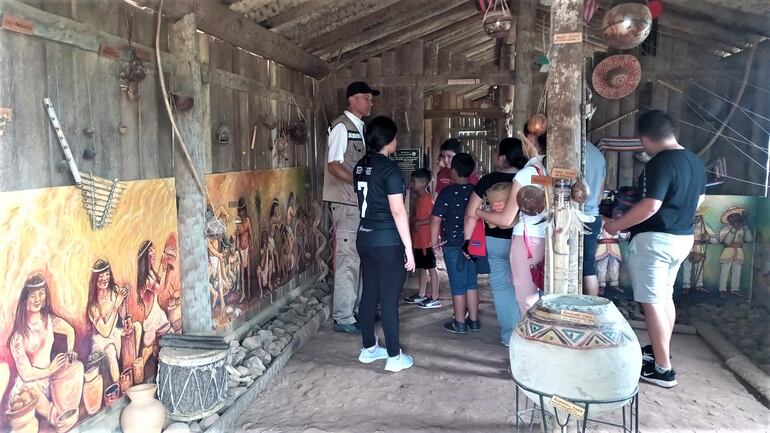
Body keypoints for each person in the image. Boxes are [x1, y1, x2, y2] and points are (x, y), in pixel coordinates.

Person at [604, 109, 706, 388]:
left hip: (656, 241)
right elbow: (698, 201)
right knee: (664, 299)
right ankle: (660, 353)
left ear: (644, 138)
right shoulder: (695, 161)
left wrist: (616, 225)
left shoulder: (660, 163)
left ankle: (663, 370)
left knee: (651, 302)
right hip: (682, 238)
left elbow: (651, 206)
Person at [353, 116, 415, 372]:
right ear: (388, 141)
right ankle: (394, 355)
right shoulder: (390, 170)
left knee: (369, 293)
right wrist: (409, 249)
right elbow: (398, 212)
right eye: (395, 137)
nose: (397, 141)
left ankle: (369, 349)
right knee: (389, 298)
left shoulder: (360, 165)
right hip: (388, 241)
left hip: (365, 237)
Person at [323, 81, 379, 334]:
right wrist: (359, 181)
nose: (370, 102)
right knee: (348, 259)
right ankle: (344, 317)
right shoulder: (341, 128)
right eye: (366, 98)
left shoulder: (360, 127)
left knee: (359, 257)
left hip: (358, 202)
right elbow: (334, 165)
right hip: (346, 203)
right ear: (353, 99)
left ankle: (356, 311)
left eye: (370, 99)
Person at [475, 128, 548, 316]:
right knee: (542, 294)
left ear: (529, 143)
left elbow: (506, 219)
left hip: (525, 240)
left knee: (526, 299)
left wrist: (480, 213)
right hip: (545, 238)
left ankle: (530, 342)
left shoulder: (526, 174)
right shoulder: (549, 171)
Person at [464, 138, 528, 345]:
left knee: (501, 288)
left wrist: (467, 240)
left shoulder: (489, 180)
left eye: (495, 153)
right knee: (527, 286)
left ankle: (510, 336)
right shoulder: (528, 176)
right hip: (526, 241)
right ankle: (530, 333)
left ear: (502, 157)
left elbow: (471, 213)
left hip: (496, 241)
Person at [8, 274, 78, 426]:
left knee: (77, 367)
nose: (38, 299)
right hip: (30, 385)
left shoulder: (49, 321)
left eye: (41, 294)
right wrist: (51, 369)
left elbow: (69, 330)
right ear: (25, 300)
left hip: (49, 379)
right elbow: (26, 374)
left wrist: (70, 350)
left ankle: (68, 410)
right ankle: (58, 419)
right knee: (30, 392)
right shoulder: (17, 336)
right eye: (33, 295)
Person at [431, 153, 479, 334]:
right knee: (471, 283)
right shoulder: (476, 191)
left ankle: (459, 323)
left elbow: (436, 219)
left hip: (453, 245)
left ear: (453, 172)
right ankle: (474, 321)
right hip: (472, 244)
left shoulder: (447, 193)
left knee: (458, 285)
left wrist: (434, 243)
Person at [87, 259, 130, 383]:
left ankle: (129, 374)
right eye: (101, 276)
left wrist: (124, 301)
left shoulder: (114, 290)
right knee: (110, 350)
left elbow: (123, 315)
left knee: (136, 327)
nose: (105, 278)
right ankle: (119, 384)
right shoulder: (93, 306)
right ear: (95, 279)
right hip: (102, 341)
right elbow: (105, 332)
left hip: (115, 333)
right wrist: (116, 304)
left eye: (107, 274)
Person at [404, 168, 440, 308]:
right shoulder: (419, 198)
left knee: (431, 268)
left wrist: (420, 222)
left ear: (422, 183)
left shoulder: (427, 199)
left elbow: (434, 218)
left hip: (426, 241)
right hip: (419, 241)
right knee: (422, 268)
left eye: (413, 181)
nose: (411, 184)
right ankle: (421, 294)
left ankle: (435, 297)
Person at [583, 141, 606, 296]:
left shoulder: (565, 150)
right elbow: (600, 195)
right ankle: (591, 311)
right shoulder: (599, 155)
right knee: (588, 266)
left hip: (571, 216)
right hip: (592, 215)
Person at [718, 207, 752, 298]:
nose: (735, 219)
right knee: (724, 272)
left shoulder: (742, 229)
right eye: (733, 217)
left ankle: (735, 290)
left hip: (739, 253)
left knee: (737, 272)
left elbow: (749, 240)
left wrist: (745, 227)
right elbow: (726, 242)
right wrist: (733, 230)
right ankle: (722, 290)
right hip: (727, 252)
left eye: (737, 216)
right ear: (729, 219)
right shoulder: (725, 229)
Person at [236, 197, 253, 302]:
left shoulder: (247, 220)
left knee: (248, 273)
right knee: (242, 274)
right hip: (241, 250)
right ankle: (243, 294)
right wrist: (237, 246)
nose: (242, 212)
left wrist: (251, 246)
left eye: (243, 210)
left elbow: (250, 233)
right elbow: (238, 236)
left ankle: (249, 293)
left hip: (247, 248)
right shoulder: (238, 220)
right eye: (240, 210)